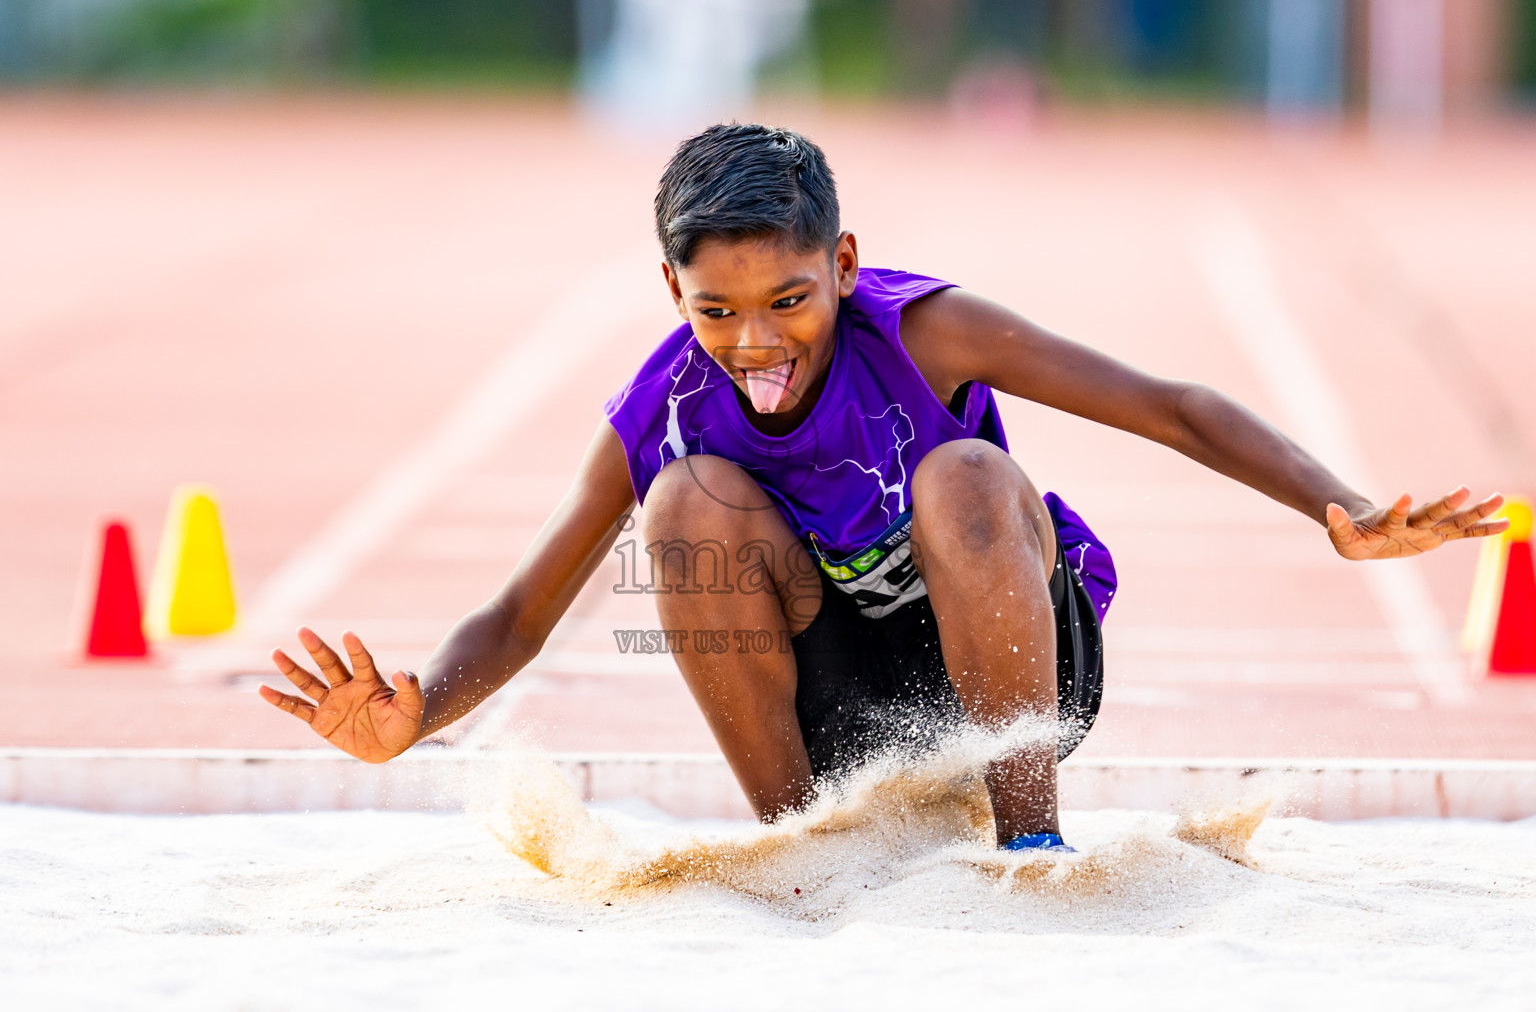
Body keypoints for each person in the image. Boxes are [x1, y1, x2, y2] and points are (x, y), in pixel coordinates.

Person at [259, 124, 1505, 853]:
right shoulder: (664, 405)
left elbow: (1170, 405)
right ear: (672, 294)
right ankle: (807, 848)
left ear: (842, 266)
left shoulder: (925, 331)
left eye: (788, 300)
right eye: (718, 312)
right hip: (840, 702)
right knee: (685, 503)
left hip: (1022, 667)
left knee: (963, 471)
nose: (756, 342)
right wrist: (418, 710)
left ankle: (1030, 843)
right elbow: (525, 614)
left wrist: (1335, 511)